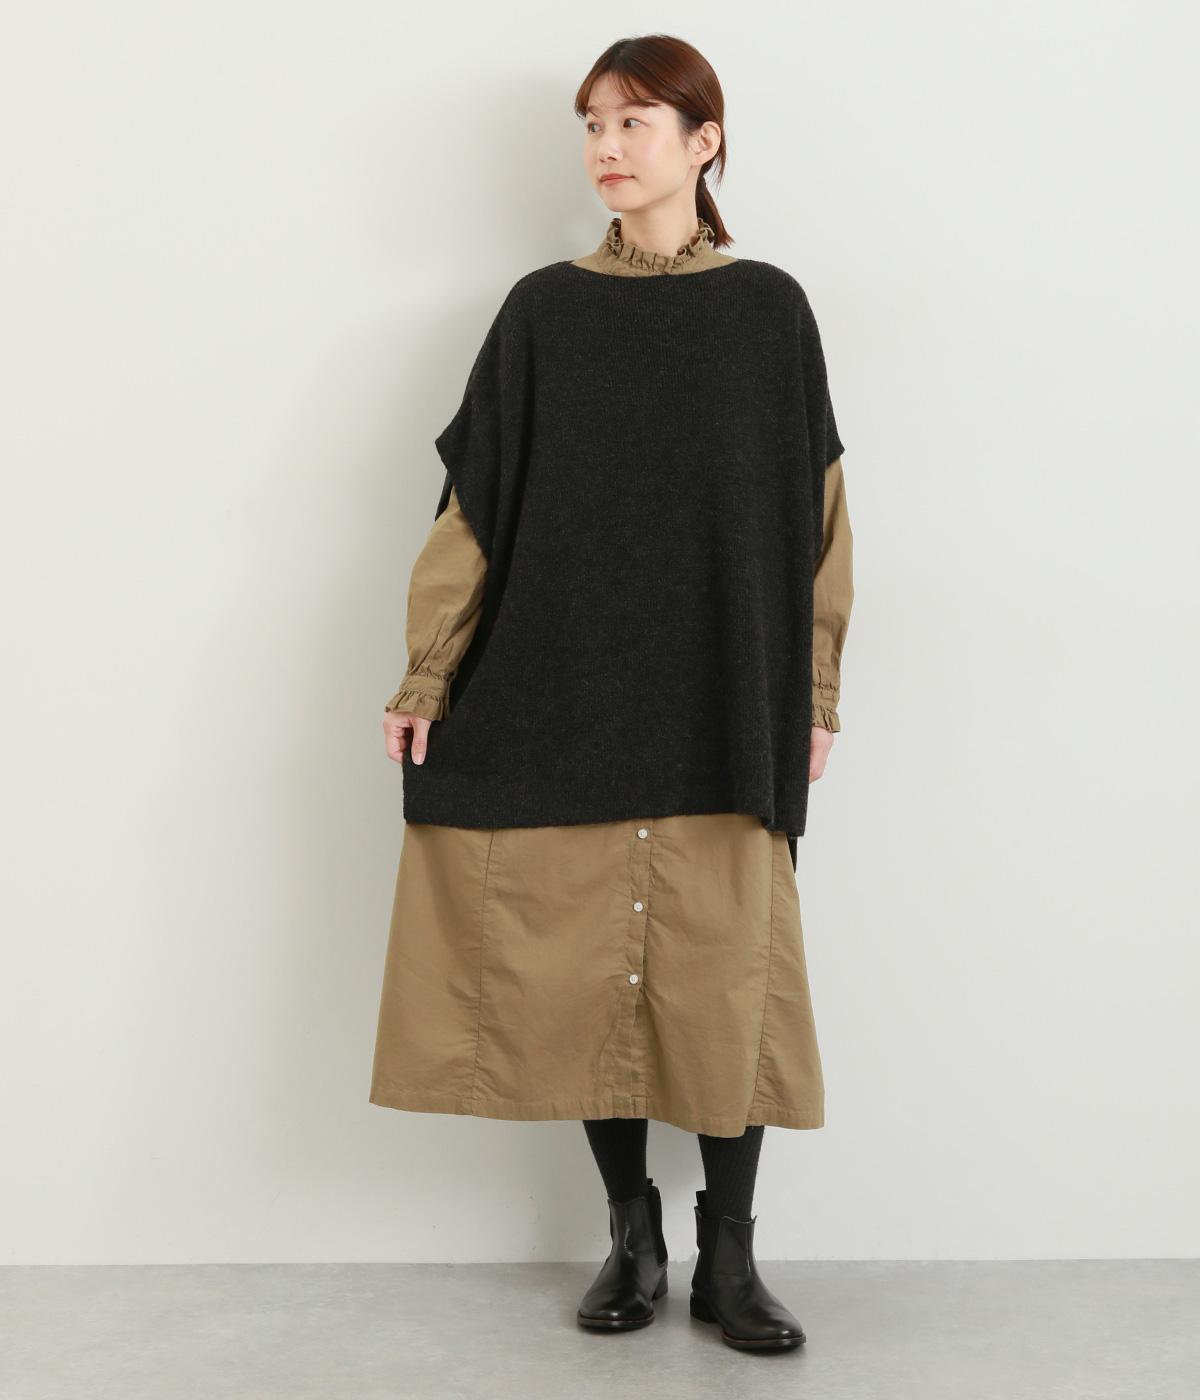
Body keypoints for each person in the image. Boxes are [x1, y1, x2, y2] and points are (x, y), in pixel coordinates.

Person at [370, 34, 854, 1355]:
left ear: (706, 142)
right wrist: (427, 671)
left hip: (723, 695)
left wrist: (814, 692)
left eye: (636, 121)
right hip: (564, 686)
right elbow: (473, 510)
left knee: (725, 976)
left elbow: (818, 517)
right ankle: (632, 1234)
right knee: (591, 972)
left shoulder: (770, 312)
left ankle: (731, 1257)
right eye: (592, 122)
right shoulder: (542, 312)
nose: (606, 146)